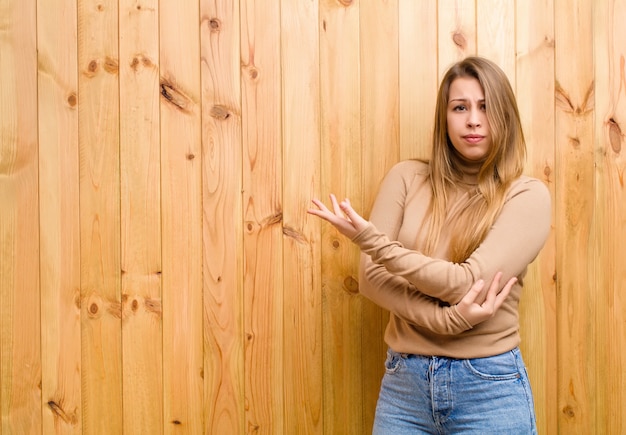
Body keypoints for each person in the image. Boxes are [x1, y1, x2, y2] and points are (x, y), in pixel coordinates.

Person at [308, 56, 551, 434]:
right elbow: (371, 278)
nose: (473, 119)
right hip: (404, 387)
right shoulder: (406, 178)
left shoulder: (527, 196)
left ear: (504, 115)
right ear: (445, 117)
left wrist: (369, 239)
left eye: (486, 107)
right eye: (460, 107)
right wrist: (447, 321)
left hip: (489, 388)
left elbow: (465, 283)